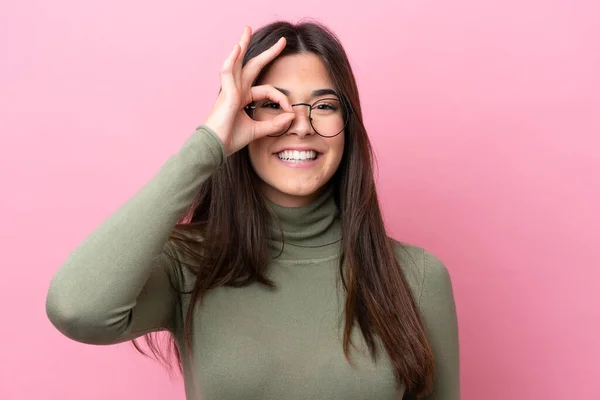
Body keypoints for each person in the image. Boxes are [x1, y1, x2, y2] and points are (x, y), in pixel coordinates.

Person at [45, 21, 460, 400]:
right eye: (274, 105)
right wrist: (210, 143)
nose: (301, 125)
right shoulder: (189, 265)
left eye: (325, 106)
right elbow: (76, 309)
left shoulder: (417, 276)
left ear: (348, 127)